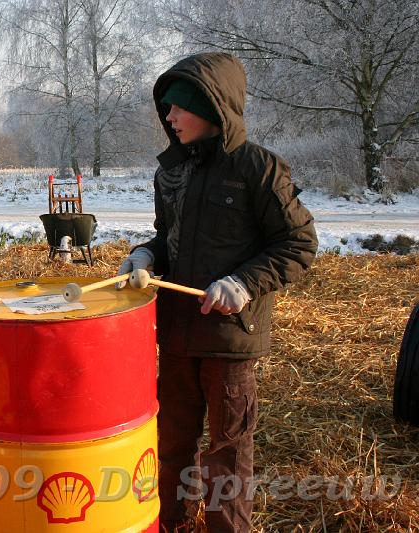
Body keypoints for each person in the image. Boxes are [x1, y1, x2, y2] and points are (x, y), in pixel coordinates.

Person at [117, 52, 318, 532]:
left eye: (178, 107)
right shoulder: (171, 171)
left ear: (210, 106)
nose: (168, 117)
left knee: (227, 448)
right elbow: (168, 238)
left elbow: (298, 243)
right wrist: (145, 255)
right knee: (171, 439)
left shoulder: (259, 168)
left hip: (229, 337)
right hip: (176, 335)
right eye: (167, 108)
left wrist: (244, 283)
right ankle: (169, 521)